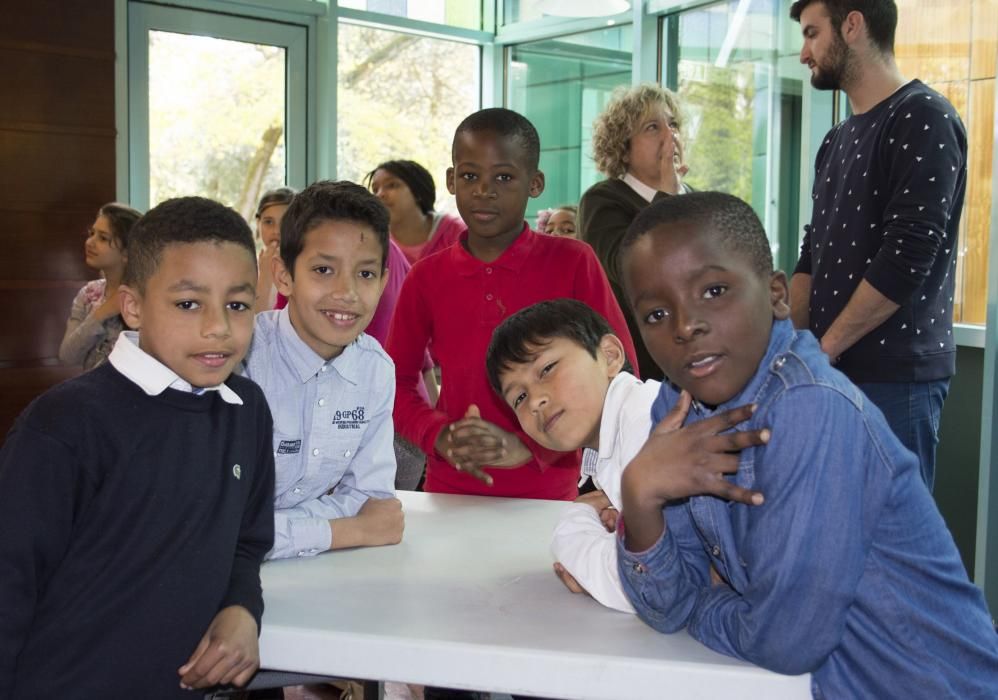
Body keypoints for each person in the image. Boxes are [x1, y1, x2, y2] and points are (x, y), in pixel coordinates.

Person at [612, 192, 998, 698]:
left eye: (714, 290)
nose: (686, 326)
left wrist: (703, 604)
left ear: (777, 296)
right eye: (657, 315)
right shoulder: (676, 409)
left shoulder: (808, 406)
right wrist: (638, 493)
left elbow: (786, 641)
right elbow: (665, 607)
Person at [0, 197, 275, 696]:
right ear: (132, 307)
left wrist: (241, 608)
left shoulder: (247, 408)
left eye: (237, 304)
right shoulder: (63, 426)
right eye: (188, 303)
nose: (218, 326)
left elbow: (247, 541)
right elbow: (8, 586)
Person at [385, 108, 638, 500]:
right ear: (451, 180)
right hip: (450, 491)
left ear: (535, 183)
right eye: (470, 176)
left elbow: (622, 375)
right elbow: (393, 381)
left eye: (503, 177)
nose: (484, 190)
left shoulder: (573, 261)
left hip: (550, 495)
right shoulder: (426, 278)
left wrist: (534, 446)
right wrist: (438, 434)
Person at [789, 0, 967, 491]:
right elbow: (814, 253)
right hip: (832, 372)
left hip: (896, 380)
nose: (803, 53)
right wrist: (788, 346)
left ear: (852, 25)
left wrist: (822, 350)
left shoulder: (924, 117)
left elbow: (908, 256)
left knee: (893, 550)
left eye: (811, 33)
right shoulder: (835, 139)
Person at [242, 180, 404, 560]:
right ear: (284, 276)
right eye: (323, 269)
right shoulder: (241, 360)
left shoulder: (375, 370)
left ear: (383, 282)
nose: (346, 292)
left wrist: (276, 528)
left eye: (365, 274)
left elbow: (372, 502)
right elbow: (217, 525)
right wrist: (345, 530)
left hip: (316, 578)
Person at [485, 298, 660, 613]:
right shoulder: (619, 439)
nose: (535, 400)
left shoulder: (646, 423)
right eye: (519, 397)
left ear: (609, 356)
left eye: (547, 369)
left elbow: (647, 583)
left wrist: (577, 525)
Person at [578, 84, 690, 381]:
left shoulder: (696, 199)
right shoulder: (603, 200)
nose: (671, 136)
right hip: (643, 371)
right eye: (653, 127)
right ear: (623, 147)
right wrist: (667, 198)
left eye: (673, 124)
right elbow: (630, 270)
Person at [58, 202, 142, 370]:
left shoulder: (146, 297)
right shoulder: (88, 293)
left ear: (127, 252)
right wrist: (102, 313)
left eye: (103, 238)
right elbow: (67, 356)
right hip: (92, 392)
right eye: (92, 233)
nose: (90, 242)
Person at [367, 159, 466, 266]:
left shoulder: (457, 233)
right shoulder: (375, 244)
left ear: (418, 192)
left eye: (391, 185)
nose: (379, 194)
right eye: (375, 190)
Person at [254, 186, 296, 312]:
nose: (276, 231)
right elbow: (253, 325)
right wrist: (265, 275)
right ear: (258, 223)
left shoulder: (303, 268)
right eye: (268, 222)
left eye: (285, 223)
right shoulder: (246, 269)